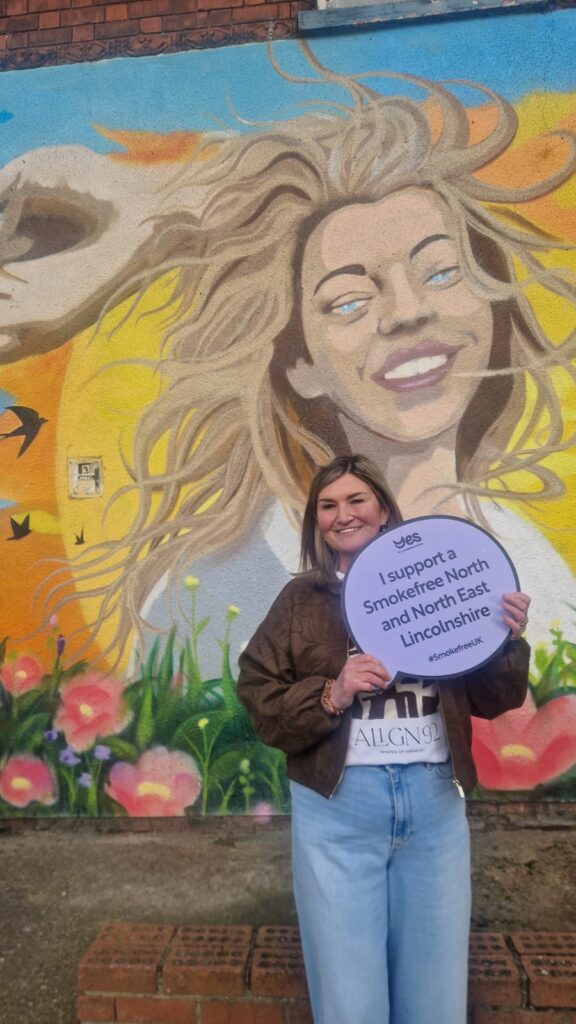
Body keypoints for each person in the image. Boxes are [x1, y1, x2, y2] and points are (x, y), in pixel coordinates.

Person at [0, 47, 573, 665]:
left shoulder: (535, 572)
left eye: (441, 271)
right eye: (349, 301)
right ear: (301, 367)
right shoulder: (213, 594)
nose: (408, 313)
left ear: (492, 306)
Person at [236, 453, 531, 1024]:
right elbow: (259, 694)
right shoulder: (301, 600)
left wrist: (506, 637)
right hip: (339, 804)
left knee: (435, 986)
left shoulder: (445, 585)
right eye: (328, 505)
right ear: (316, 521)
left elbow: (497, 698)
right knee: (350, 993)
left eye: (356, 500)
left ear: (384, 510)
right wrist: (332, 692)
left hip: (434, 798)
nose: (343, 514)